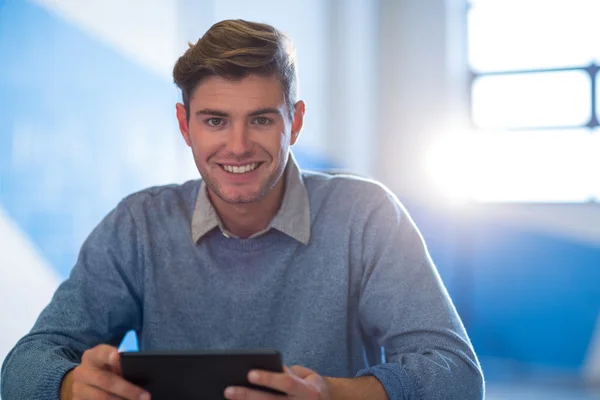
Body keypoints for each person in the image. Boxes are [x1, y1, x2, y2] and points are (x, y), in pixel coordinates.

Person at [1, 19, 484, 400]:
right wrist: (67, 386)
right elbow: (24, 365)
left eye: (260, 119)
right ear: (185, 125)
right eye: (215, 120)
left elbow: (457, 376)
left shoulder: (366, 216)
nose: (237, 146)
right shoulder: (138, 226)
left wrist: (331, 393)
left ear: (294, 122)